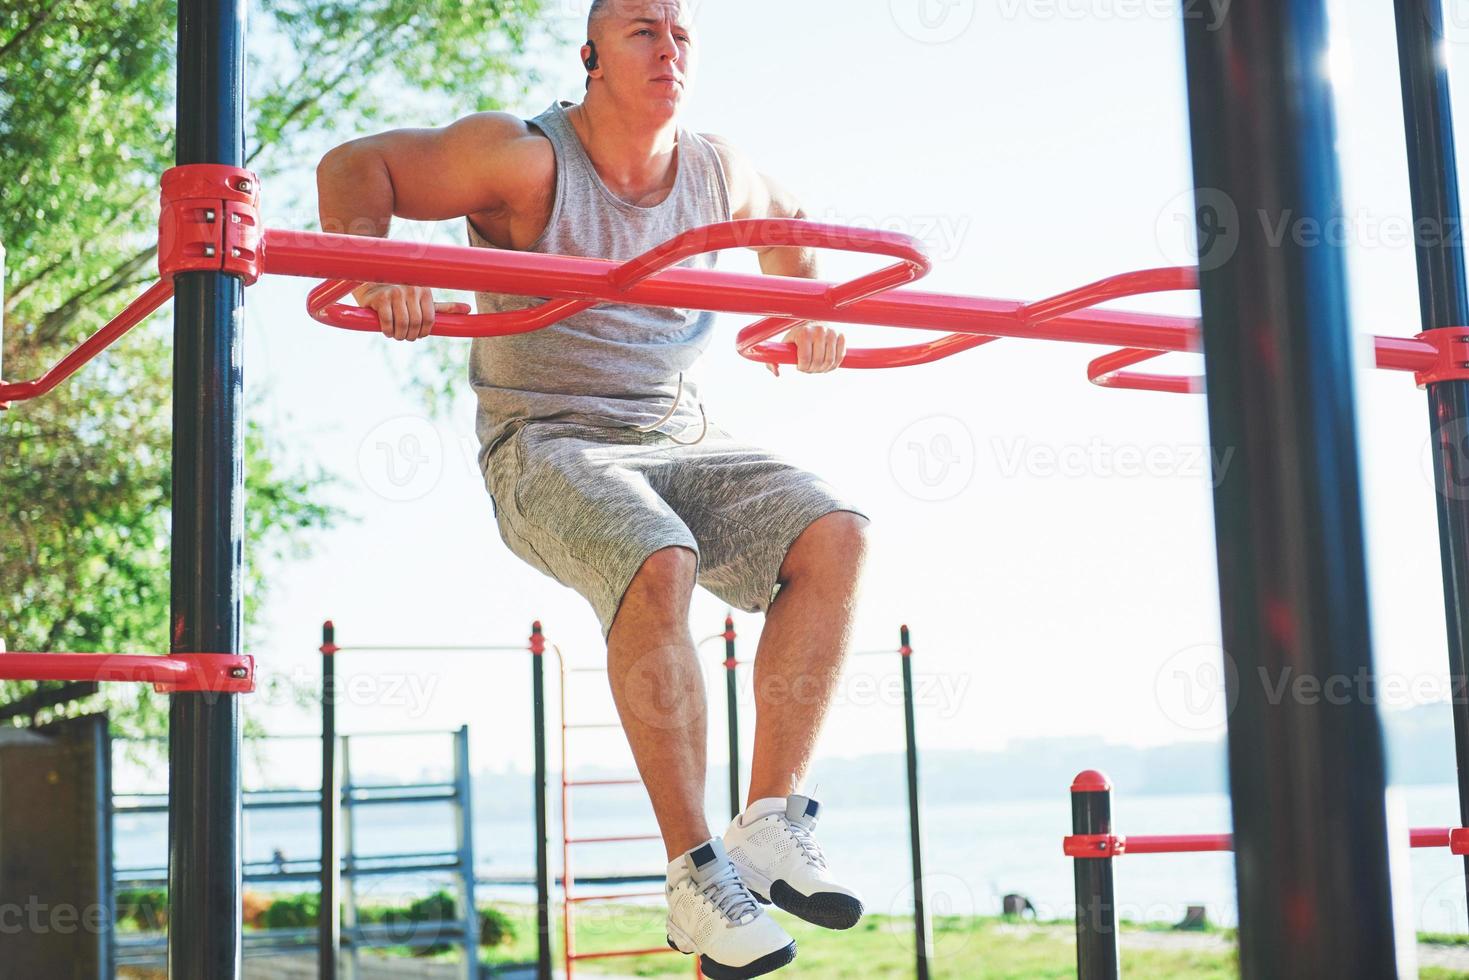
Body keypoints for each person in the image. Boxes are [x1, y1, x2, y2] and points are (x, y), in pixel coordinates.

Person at [316, 2, 868, 975]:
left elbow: (788, 230)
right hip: (547, 442)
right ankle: (696, 875)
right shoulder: (527, 161)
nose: (668, 48)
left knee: (834, 532)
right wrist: (373, 267)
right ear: (592, 60)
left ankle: (769, 823)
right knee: (658, 554)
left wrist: (804, 312)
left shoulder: (714, 171)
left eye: (681, 32)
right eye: (642, 32)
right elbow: (355, 166)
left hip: (678, 436)